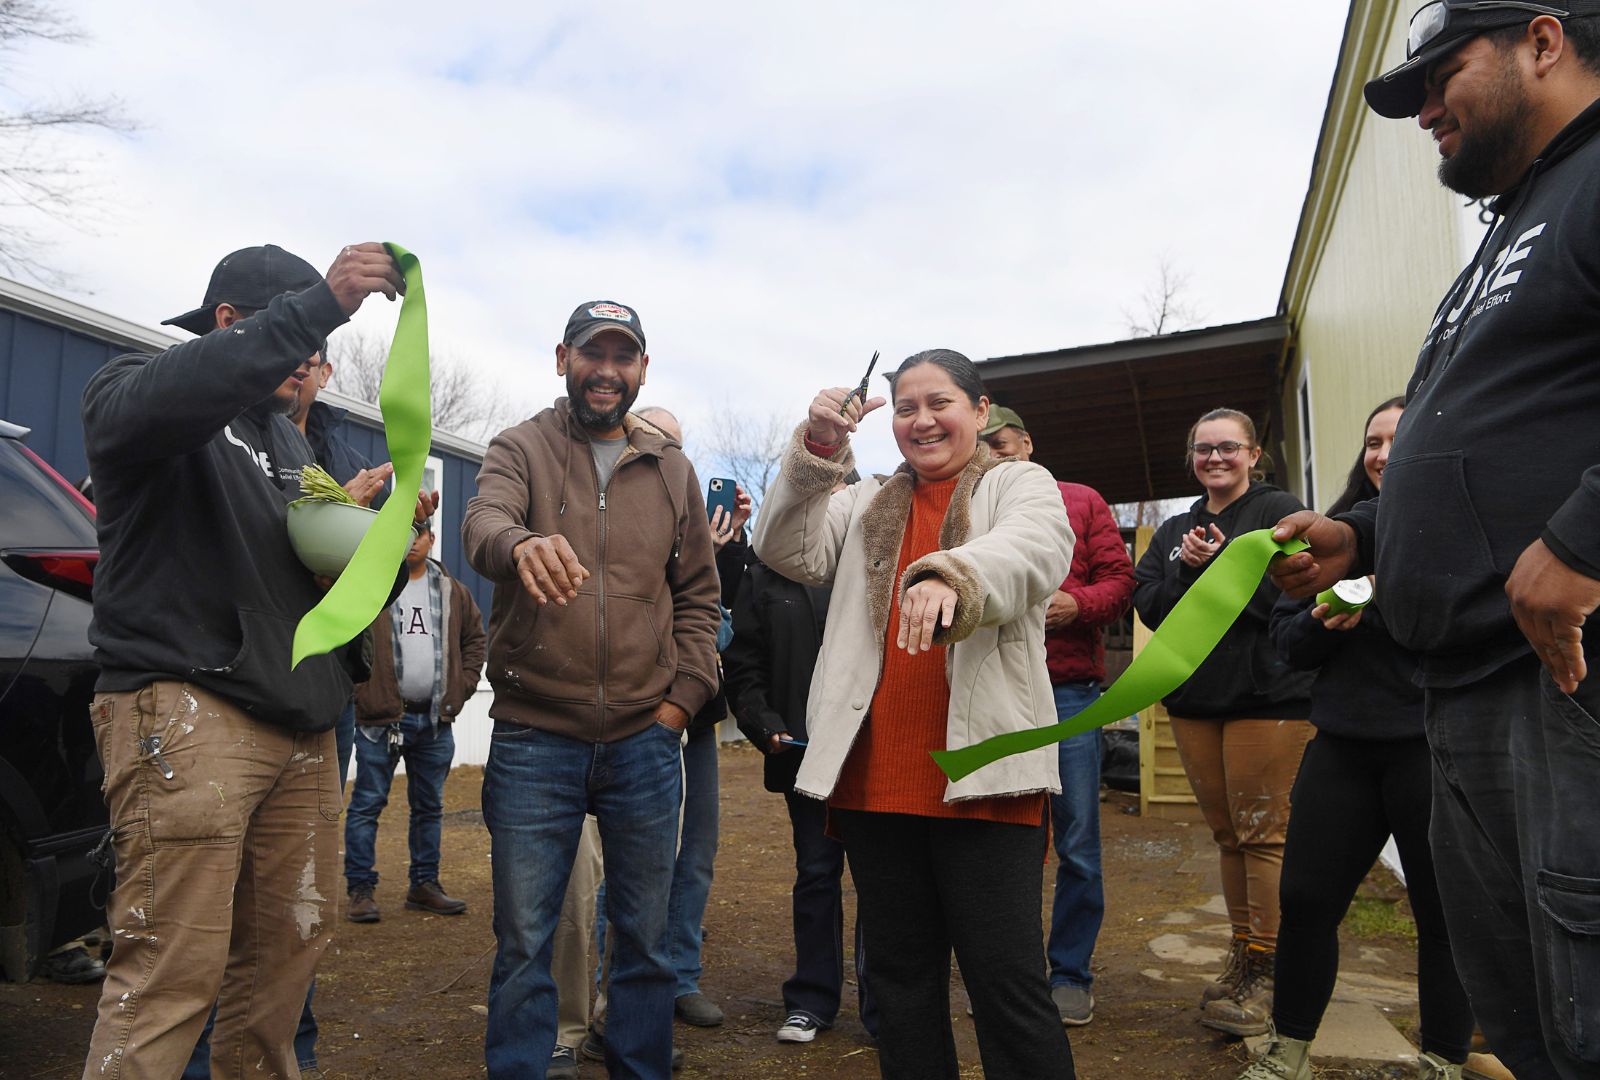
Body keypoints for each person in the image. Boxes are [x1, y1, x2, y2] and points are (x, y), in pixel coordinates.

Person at [1273, 7, 1600, 1075]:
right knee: (1522, 1017)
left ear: (1541, 44)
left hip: (1558, 680)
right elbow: (1480, 445)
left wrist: (1584, 535)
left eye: (1437, 77)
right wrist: (1362, 536)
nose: (1420, 110)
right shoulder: (1512, 223)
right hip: (1459, 691)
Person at [79, 242, 414, 1079]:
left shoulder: (291, 450)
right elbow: (184, 390)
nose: (310, 359)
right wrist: (324, 302)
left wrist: (371, 548)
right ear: (230, 323)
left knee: (278, 980)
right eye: (295, 334)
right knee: (168, 976)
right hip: (191, 716)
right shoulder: (141, 394)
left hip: (301, 733)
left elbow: (304, 586)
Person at [752, 349, 1076, 1080]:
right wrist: (820, 451)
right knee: (898, 984)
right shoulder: (866, 501)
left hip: (985, 780)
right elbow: (784, 547)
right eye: (905, 407)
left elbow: (1034, 552)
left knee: (1008, 986)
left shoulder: (1018, 484)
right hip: (877, 781)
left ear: (981, 411)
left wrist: (950, 573)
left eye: (941, 403)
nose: (922, 420)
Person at [462, 300, 721, 1080]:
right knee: (526, 938)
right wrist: (520, 541)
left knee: (645, 938)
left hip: (645, 739)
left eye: (624, 356)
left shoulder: (672, 470)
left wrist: (680, 702)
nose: (606, 370)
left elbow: (701, 600)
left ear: (642, 368)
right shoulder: (521, 447)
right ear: (561, 358)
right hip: (535, 736)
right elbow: (481, 524)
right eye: (591, 353)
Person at [182, 303, 400, 1080]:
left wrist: (362, 532)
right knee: (198, 923)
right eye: (292, 354)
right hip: (215, 702)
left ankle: (289, 1046)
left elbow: (319, 571)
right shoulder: (189, 418)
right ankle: (195, 1059)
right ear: (233, 328)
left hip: (313, 698)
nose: (301, 369)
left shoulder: (312, 446)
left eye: (313, 360)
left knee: (292, 920)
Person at [1239, 400, 1474, 1079]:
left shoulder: (1457, 531)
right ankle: (1288, 1053)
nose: (1381, 454)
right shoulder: (1324, 541)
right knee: (1307, 901)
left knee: (1441, 913)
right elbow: (1288, 646)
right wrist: (1323, 614)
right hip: (1342, 745)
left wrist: (1383, 596)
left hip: (1428, 749)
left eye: (1399, 440)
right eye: (1373, 441)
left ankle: (1442, 1060)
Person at [1131, 408, 1312, 1035]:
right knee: (1229, 835)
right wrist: (1186, 570)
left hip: (1270, 698)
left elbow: (1299, 592)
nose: (1215, 459)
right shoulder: (1176, 528)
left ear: (1253, 454)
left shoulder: (1279, 510)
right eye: (1204, 449)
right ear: (1192, 457)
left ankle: (1270, 969)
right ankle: (1243, 955)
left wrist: (1223, 573)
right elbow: (1151, 604)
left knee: (1264, 835)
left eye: (1228, 448)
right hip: (1198, 701)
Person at [980, 405, 1133, 1028]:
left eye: (1005, 445)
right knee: (993, 837)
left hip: (1068, 692)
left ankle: (1069, 971)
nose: (996, 456)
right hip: (990, 694)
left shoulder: (1080, 500)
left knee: (1076, 842)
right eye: (985, 448)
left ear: (1029, 445)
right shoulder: (965, 508)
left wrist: (1078, 604)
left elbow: (1122, 580)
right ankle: (1003, 972)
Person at [723, 470, 879, 1045]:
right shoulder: (766, 571)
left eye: (842, 493)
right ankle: (810, 1000)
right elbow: (744, 663)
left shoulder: (876, 566)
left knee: (880, 879)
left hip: (871, 751)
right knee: (816, 873)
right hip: (802, 753)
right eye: (820, 495)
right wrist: (763, 723)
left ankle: (885, 1008)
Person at [343, 521, 486, 921]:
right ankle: (360, 889)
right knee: (367, 804)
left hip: (434, 721)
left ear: (431, 538)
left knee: (429, 807)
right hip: (380, 720)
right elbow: (346, 634)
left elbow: (476, 640)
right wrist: (360, 691)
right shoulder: (374, 583)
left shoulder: (453, 590)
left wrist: (464, 685)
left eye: (418, 533)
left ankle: (424, 885)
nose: (411, 542)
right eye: (403, 534)